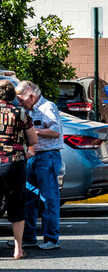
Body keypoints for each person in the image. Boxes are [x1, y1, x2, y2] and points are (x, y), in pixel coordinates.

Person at [16, 81, 63, 250]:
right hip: (32, 156)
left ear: (31, 95)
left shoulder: (47, 107)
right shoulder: (27, 110)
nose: (20, 103)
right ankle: (29, 238)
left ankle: (52, 239)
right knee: (28, 198)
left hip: (47, 156)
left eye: (21, 100)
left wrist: (32, 131)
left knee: (48, 199)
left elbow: (56, 131)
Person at [0, 80, 37, 259]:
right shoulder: (20, 112)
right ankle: (18, 249)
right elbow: (33, 140)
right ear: (12, 95)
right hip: (14, 163)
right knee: (17, 205)